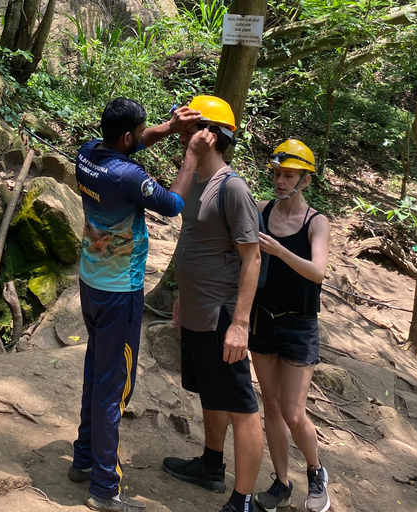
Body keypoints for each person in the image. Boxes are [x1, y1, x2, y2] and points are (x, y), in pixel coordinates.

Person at [69, 97, 211, 512]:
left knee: (97, 370)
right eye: (142, 130)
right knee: (114, 386)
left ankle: (83, 459)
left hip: (91, 282)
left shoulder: (88, 152)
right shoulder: (129, 176)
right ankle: (104, 488)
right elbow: (173, 204)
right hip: (119, 292)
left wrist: (167, 127)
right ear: (126, 137)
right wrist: (190, 155)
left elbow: (133, 143)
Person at [162, 95, 264, 512]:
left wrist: (240, 324)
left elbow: (252, 257)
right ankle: (210, 464)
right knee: (210, 392)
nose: (183, 132)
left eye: (192, 127)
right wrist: (183, 299)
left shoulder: (232, 187)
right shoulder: (196, 182)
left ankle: (242, 499)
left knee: (240, 404)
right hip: (197, 310)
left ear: (213, 135)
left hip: (223, 316)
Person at [248, 140, 330, 512]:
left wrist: (279, 250)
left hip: (299, 325)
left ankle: (316, 472)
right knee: (273, 407)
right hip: (262, 320)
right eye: (278, 174)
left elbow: (317, 272)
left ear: (305, 181)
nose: (281, 181)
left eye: (289, 176)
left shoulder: (317, 221)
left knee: (295, 412)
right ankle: (281, 483)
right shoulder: (262, 210)